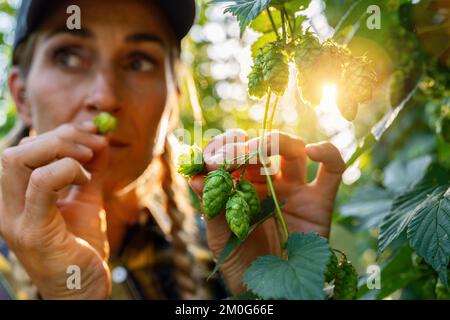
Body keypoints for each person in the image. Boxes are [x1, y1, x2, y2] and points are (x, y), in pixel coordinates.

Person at [0, 0, 345, 300]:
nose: (104, 98)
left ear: (172, 102)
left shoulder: (224, 258)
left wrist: (281, 283)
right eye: (69, 56)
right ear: (21, 96)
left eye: (139, 62)